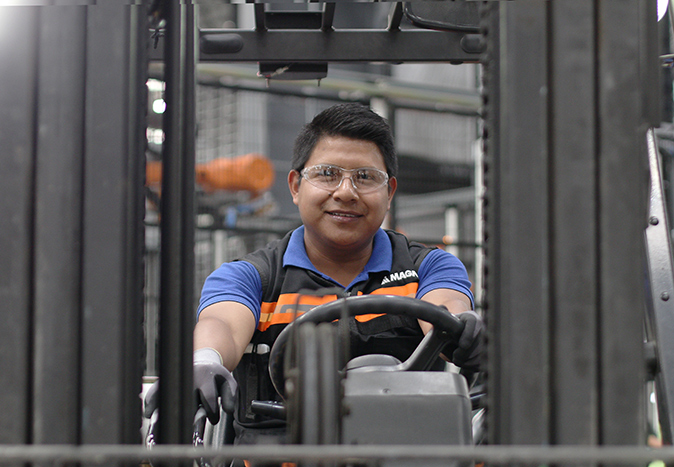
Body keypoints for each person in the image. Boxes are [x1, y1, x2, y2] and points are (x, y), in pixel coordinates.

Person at [144, 104, 484, 464]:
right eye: (327, 174)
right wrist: (204, 359)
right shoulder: (251, 277)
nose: (346, 192)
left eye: (366, 177)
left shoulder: (429, 266)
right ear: (295, 185)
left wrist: (464, 331)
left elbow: (446, 310)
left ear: (390, 192)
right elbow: (222, 325)